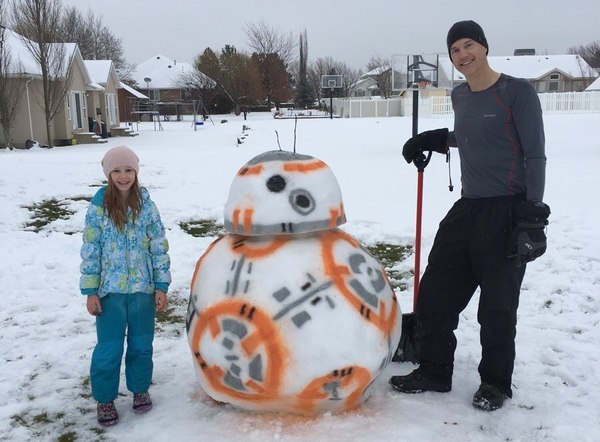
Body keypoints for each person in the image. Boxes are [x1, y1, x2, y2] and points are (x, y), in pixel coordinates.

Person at [389, 20, 550, 411]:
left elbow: (534, 153)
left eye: (468, 45)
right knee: (436, 292)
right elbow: (474, 135)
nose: (463, 55)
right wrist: (437, 138)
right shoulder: (461, 96)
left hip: (509, 209)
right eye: (455, 50)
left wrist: (533, 216)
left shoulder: (517, 92)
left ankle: (495, 383)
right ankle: (434, 370)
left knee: (496, 305)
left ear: (483, 46)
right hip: (468, 208)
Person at [80, 146, 171, 426]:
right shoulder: (98, 208)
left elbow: (158, 246)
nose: (123, 176)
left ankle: (139, 389)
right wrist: (91, 290)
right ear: (108, 174)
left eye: (128, 170)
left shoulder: (146, 205)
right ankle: (105, 399)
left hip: (143, 291)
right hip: (111, 293)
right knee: (109, 348)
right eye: (117, 171)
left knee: (142, 345)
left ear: (136, 172)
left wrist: (161, 285)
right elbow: (91, 249)